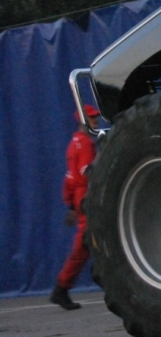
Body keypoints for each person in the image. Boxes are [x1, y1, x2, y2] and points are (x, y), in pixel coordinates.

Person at [49, 104, 99, 311]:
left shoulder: (73, 144)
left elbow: (70, 177)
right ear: (83, 120)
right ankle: (62, 287)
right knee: (85, 245)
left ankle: (62, 287)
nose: (96, 121)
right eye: (93, 118)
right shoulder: (85, 143)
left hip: (80, 197)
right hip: (88, 197)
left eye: (96, 117)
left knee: (88, 244)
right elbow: (88, 172)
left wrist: (71, 204)